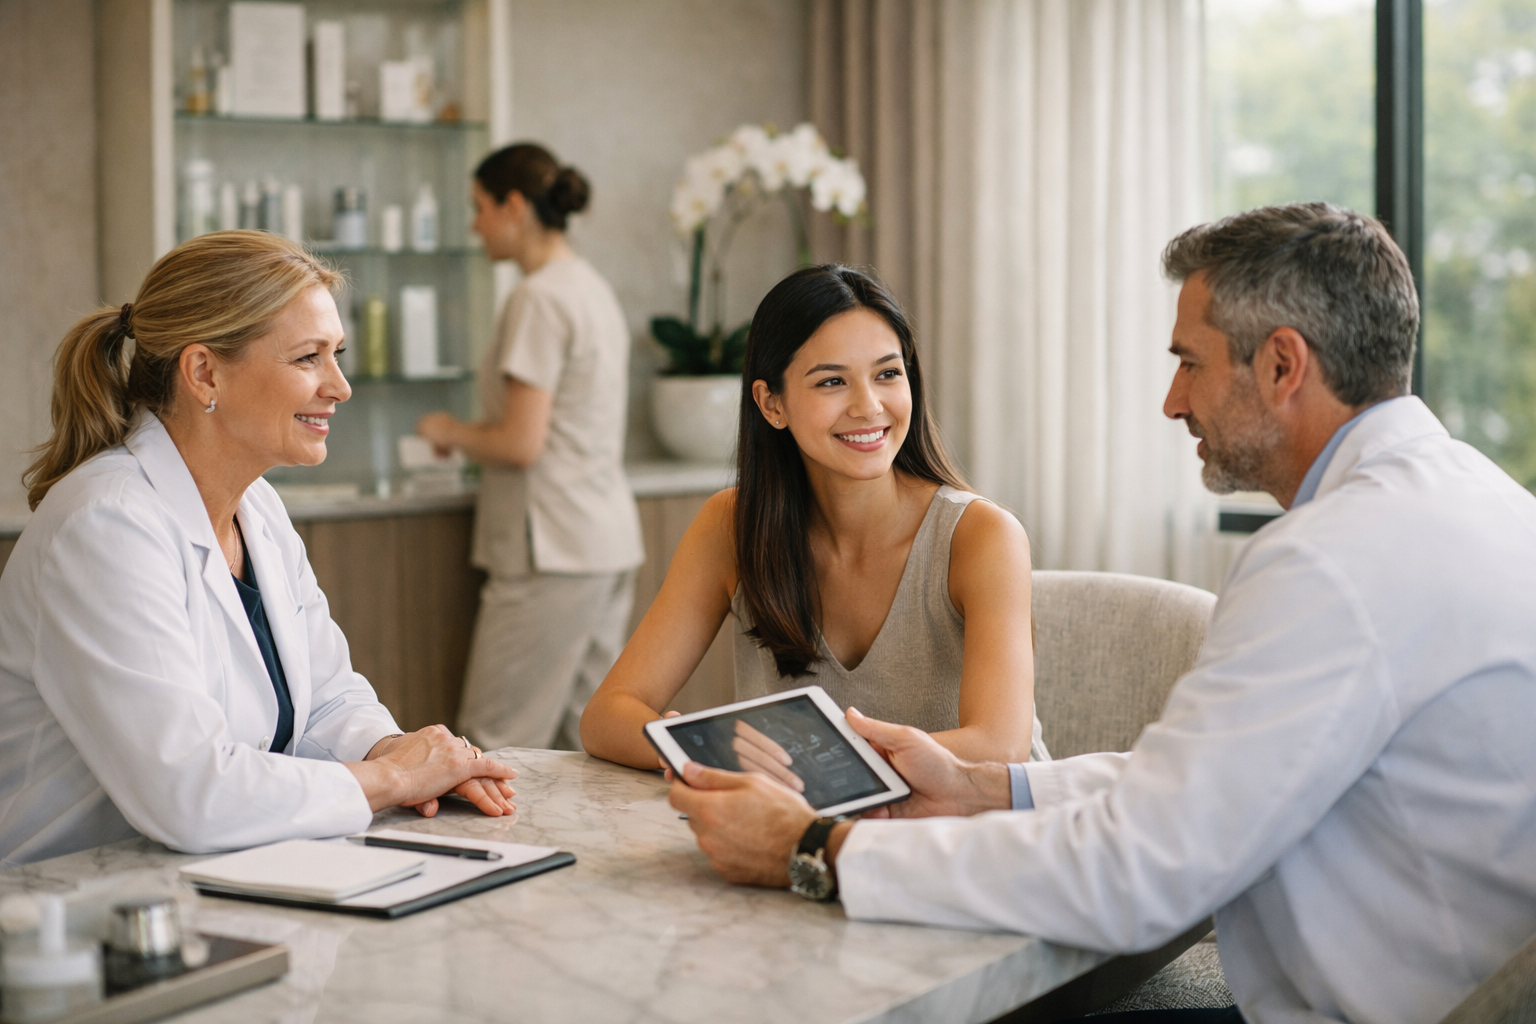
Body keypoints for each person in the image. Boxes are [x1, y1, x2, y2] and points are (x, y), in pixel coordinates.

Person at [667, 205, 1536, 1024]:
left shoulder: (1331, 560)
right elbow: (1207, 784)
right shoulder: (1475, 498)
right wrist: (987, 786)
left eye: (1189, 362)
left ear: (1281, 364)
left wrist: (818, 850)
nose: (1172, 401)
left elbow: (1139, 868)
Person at [0, 231, 518, 868]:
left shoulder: (259, 509)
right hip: (68, 906)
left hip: (208, 876)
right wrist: (394, 780)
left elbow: (330, 695)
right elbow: (188, 792)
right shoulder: (105, 526)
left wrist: (399, 751)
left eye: (338, 355)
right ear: (204, 372)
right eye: (308, 358)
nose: (340, 386)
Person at [581, 265, 1048, 774]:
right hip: (814, 838)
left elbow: (1000, 748)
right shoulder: (731, 528)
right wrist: (715, 752)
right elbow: (606, 715)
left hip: (979, 836)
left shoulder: (982, 536)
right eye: (832, 382)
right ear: (771, 403)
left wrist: (800, 764)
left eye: (888, 374)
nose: (868, 407)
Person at [417, 143, 642, 753]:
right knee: (591, 747)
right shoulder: (589, 286)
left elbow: (520, 442)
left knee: (494, 745)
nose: (474, 224)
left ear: (514, 207)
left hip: (552, 550)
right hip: (603, 542)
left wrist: (449, 432)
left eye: (480, 207)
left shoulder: (538, 298)